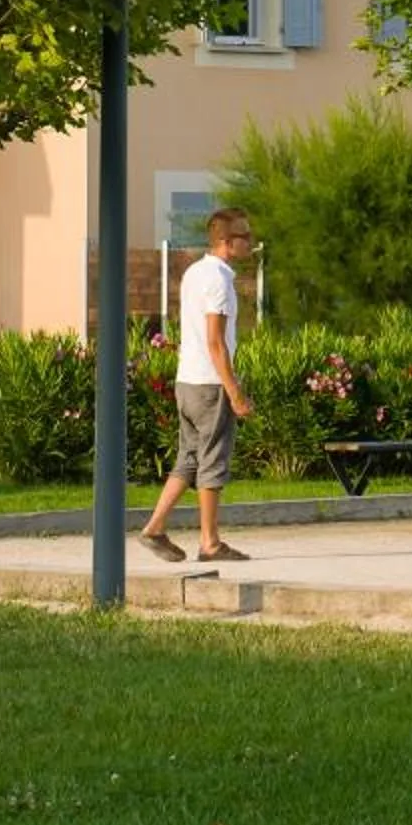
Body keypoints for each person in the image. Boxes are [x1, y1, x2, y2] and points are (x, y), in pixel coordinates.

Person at [141, 207, 257, 565]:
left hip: (186, 381)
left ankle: (154, 528)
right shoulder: (219, 280)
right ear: (226, 241)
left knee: (188, 459)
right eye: (245, 236)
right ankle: (210, 542)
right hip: (210, 384)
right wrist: (234, 391)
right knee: (212, 462)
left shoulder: (194, 271)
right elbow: (215, 341)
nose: (250, 243)